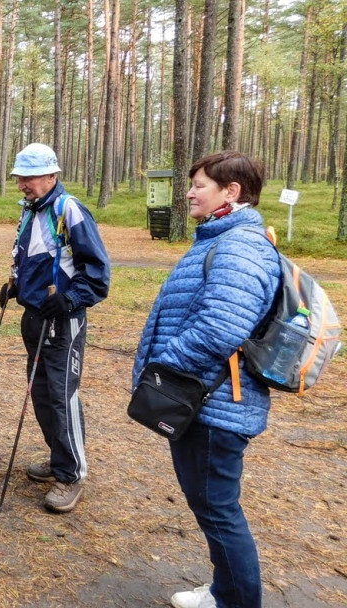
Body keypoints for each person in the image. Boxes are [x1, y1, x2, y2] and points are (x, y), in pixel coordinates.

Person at [133, 152, 280, 608]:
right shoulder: (224, 238)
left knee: (218, 510)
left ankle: (235, 601)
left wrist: (163, 369)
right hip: (207, 399)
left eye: (199, 185)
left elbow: (219, 329)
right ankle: (225, 591)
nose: (189, 193)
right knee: (212, 505)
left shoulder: (241, 247)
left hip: (214, 403)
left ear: (230, 191)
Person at [2, 142, 110, 513]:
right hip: (34, 316)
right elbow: (36, 258)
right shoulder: (32, 209)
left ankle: (71, 473)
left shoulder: (69, 209)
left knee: (62, 395)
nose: (22, 185)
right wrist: (16, 286)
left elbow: (97, 272)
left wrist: (71, 298)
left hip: (63, 321)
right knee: (42, 393)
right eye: (19, 178)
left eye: (29, 178)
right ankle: (59, 456)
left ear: (51, 175)